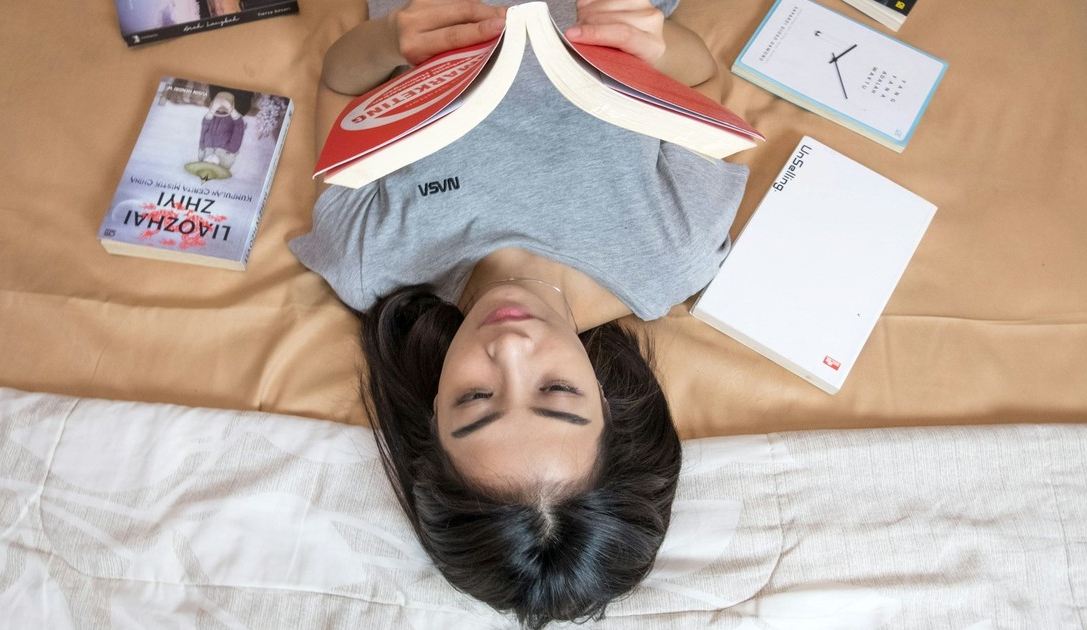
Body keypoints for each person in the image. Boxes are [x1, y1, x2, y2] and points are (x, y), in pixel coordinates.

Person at [290, 0, 748, 627]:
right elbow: (700, 79)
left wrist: (391, 38)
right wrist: (659, 44)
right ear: (610, 403)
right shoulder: (673, 248)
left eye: (475, 398)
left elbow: (341, 84)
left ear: (432, 413)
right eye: (555, 390)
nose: (509, 347)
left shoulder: (370, 258)